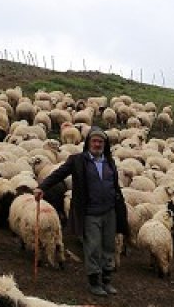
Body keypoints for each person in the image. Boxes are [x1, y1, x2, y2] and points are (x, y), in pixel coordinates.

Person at [35, 126, 129, 297]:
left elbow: (115, 184)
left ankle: (107, 280)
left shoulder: (109, 161)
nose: (97, 144)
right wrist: (42, 187)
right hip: (90, 211)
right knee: (92, 246)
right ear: (88, 142)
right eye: (94, 141)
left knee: (109, 245)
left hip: (110, 210)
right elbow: (59, 174)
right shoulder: (77, 160)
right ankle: (94, 282)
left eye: (100, 141)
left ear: (104, 144)